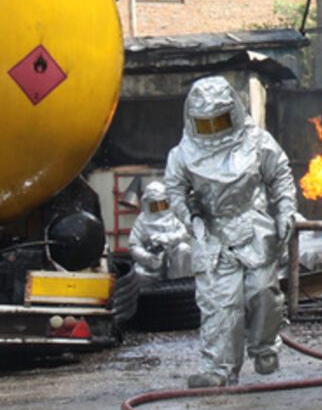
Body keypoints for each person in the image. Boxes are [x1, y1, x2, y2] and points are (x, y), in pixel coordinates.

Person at [164, 76, 298, 388]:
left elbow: (280, 175)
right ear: (193, 120)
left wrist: (285, 212)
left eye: (219, 121)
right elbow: (175, 191)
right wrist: (191, 218)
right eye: (205, 123)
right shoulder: (183, 154)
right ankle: (219, 368)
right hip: (212, 233)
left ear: (233, 113)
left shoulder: (257, 141)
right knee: (221, 302)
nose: (213, 130)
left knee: (262, 292)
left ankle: (264, 347)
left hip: (253, 226)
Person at [127, 180, 191, 280]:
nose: (159, 208)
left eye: (162, 204)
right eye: (155, 205)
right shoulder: (142, 220)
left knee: (184, 249)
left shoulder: (173, 217)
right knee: (138, 273)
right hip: (151, 267)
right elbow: (134, 246)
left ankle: (181, 283)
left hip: (173, 263)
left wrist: (168, 239)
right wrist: (147, 257)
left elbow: (186, 234)